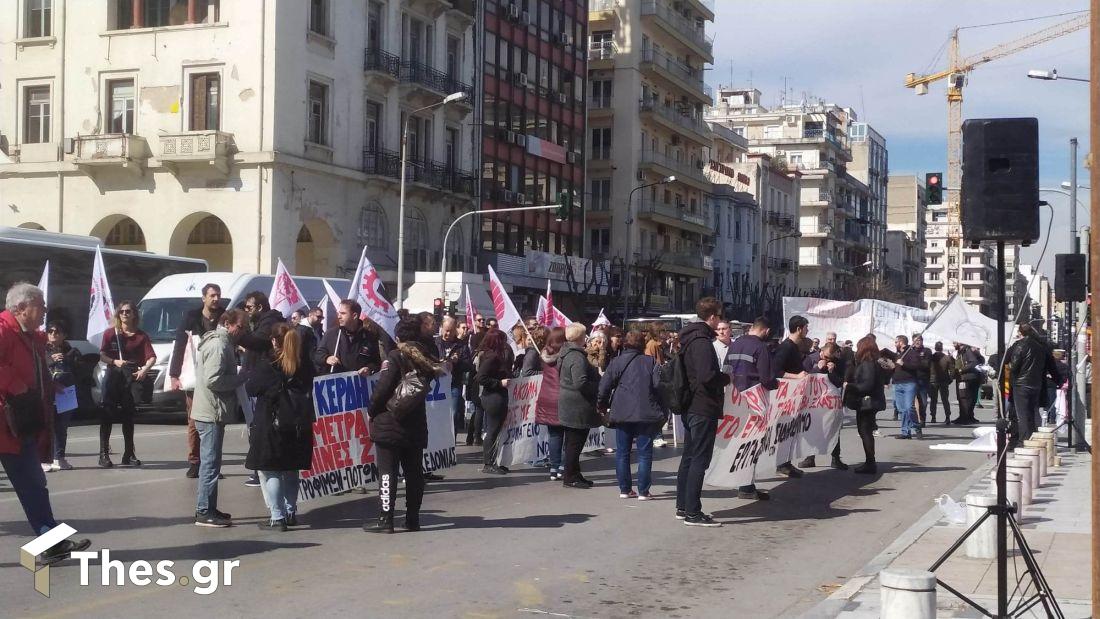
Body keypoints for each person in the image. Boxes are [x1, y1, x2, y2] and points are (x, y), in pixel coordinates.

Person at [1, 283, 92, 562]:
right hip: (7, 419)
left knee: (34, 483)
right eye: (40, 306)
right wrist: (17, 387)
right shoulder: (3, 331)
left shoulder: (29, 335)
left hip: (19, 424)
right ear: (20, 309)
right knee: (32, 482)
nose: (44, 311)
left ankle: (51, 544)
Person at [364, 314, 442, 533]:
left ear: (398, 336)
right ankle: (412, 519)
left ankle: (385, 520)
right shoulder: (426, 358)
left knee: (387, 473)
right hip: (415, 424)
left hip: (390, 422)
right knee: (414, 474)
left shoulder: (396, 356)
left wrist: (372, 410)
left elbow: (382, 389)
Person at [247, 322, 316, 531]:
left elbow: (252, 387)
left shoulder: (270, 362)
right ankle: (291, 511)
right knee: (291, 469)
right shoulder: (304, 364)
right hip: (298, 423)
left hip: (273, 422)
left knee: (271, 470)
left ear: (275, 340)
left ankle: (277, 517)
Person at [675, 298, 731, 527]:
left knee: (689, 457)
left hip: (692, 405)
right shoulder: (701, 341)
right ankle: (693, 512)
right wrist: (727, 377)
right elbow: (708, 376)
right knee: (699, 459)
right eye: (718, 317)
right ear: (712, 317)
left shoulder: (691, 338)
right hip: (702, 406)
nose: (719, 323)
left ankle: (683, 506)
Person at [191, 309, 248, 528]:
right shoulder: (219, 345)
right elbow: (214, 380)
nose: (242, 333)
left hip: (211, 411)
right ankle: (204, 511)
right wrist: (238, 379)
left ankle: (209, 507)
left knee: (212, 463)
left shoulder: (221, 342)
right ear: (228, 323)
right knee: (210, 464)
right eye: (240, 327)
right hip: (211, 412)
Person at [598, 330, 665, 499]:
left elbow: (604, 386)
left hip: (622, 410)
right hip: (646, 410)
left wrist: (602, 405)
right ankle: (643, 490)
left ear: (625, 343)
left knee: (622, 452)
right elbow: (659, 386)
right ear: (642, 344)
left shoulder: (616, 361)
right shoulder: (650, 362)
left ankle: (625, 489)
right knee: (644, 452)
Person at [169, 283, 225, 479]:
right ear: (204, 298)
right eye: (212, 295)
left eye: (218, 295)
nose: (216, 298)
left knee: (216, 422)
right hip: (195, 377)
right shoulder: (191, 317)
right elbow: (179, 346)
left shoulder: (224, 317)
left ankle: (212, 462)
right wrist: (174, 375)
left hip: (217, 377)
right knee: (194, 421)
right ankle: (195, 462)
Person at [99, 300, 156, 468]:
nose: (125, 314)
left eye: (128, 311)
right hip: (113, 375)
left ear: (134, 315)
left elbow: (151, 357)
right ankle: (103, 454)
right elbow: (102, 355)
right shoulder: (111, 333)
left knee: (128, 416)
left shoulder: (141, 336)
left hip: (130, 376)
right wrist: (115, 361)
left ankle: (129, 453)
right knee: (107, 414)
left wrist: (144, 370)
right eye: (122, 311)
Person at [237, 291, 286, 487]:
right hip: (255, 382)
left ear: (259, 307)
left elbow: (256, 342)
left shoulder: (269, 322)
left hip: (264, 385)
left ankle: (262, 468)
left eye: (248, 308)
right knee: (255, 427)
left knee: (261, 428)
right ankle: (260, 467)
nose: (246, 311)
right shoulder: (260, 322)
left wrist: (236, 334)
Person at [726, 316, 775, 501]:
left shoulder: (735, 344)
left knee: (738, 443)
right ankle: (746, 486)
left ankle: (745, 484)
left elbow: (726, 370)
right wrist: (777, 384)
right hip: (754, 402)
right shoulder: (761, 348)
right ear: (766, 331)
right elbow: (766, 378)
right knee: (751, 444)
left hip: (734, 399)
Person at [557, 323, 602, 489]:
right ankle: (570, 476)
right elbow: (580, 382)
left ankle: (575, 472)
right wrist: (599, 385)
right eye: (584, 335)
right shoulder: (576, 356)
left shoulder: (567, 353)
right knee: (574, 443)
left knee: (573, 441)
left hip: (571, 403)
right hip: (577, 404)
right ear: (579, 337)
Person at [769, 315, 810, 477]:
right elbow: (776, 371)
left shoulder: (793, 346)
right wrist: (797, 377)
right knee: (785, 431)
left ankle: (786, 462)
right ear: (799, 328)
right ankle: (782, 464)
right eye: (806, 327)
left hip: (794, 397)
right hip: (785, 398)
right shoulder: (786, 347)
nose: (808, 330)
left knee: (791, 431)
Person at [844, 336, 891, 474]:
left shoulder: (868, 364)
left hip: (867, 402)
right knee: (866, 431)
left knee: (865, 432)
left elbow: (867, 385)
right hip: (871, 401)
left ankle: (870, 462)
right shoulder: (875, 363)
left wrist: (850, 386)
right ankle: (870, 461)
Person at [798, 342, 848, 470]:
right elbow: (804, 378)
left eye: (830, 358)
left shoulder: (838, 362)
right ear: (821, 352)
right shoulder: (811, 359)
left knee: (833, 428)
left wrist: (831, 371)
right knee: (812, 428)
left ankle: (836, 458)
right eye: (825, 357)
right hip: (813, 401)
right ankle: (810, 457)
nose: (827, 360)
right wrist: (817, 369)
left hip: (830, 402)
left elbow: (839, 382)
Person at [1008, 324, 1059, 443]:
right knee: (1032, 412)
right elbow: (1052, 366)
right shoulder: (1042, 346)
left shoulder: (1020, 345)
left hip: (1021, 384)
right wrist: (1059, 380)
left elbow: (1014, 366)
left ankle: (1024, 441)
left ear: (1021, 333)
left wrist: (1011, 368)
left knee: (1023, 414)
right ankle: (1033, 438)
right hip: (1037, 384)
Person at [44, 320, 81, 472]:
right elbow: (36, 367)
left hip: (65, 394)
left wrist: (67, 359)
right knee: (47, 426)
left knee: (62, 427)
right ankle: (44, 459)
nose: (53, 334)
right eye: (50, 331)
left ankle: (59, 457)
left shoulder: (71, 351)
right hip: (47, 393)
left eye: (57, 332)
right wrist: (51, 360)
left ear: (64, 335)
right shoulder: (42, 350)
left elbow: (79, 371)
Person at [475, 328, 513, 474]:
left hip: (497, 395)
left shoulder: (496, 356)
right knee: (492, 430)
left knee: (496, 430)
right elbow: (481, 378)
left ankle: (493, 461)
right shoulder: (492, 357)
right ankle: (488, 463)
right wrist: (498, 383)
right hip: (493, 396)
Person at [313, 300, 382, 376]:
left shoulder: (369, 337)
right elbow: (318, 355)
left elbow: (376, 362)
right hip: (337, 383)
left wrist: (369, 369)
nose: (339, 316)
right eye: (338, 313)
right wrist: (326, 358)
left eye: (343, 313)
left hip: (359, 383)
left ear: (354, 315)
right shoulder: (331, 334)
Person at [535, 328, 567, 480]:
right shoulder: (566, 355)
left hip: (547, 396)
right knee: (570, 434)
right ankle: (563, 466)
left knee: (554, 434)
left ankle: (554, 468)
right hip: (563, 396)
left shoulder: (543, 354)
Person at [438, 316, 473, 437]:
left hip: (454, 385)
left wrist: (457, 362)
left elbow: (468, 365)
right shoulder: (435, 343)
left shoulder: (461, 346)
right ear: (441, 328)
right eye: (446, 330)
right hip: (436, 384)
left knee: (453, 413)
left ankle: (451, 441)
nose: (448, 333)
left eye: (451, 331)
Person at [891, 335, 928, 440]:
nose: (895, 344)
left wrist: (904, 364)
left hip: (909, 383)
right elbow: (895, 368)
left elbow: (917, 366)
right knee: (901, 409)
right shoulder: (898, 354)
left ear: (901, 342)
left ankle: (917, 426)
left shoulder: (912, 353)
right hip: (897, 383)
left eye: (896, 342)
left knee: (909, 407)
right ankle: (905, 432)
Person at [953, 343, 985, 425]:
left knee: (964, 398)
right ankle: (965, 416)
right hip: (965, 378)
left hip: (966, 378)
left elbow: (974, 363)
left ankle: (966, 418)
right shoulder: (962, 351)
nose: (953, 344)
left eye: (954, 342)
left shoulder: (967, 351)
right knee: (966, 398)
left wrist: (961, 370)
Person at [929, 341, 955, 424]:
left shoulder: (931, 357)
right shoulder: (947, 358)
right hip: (944, 381)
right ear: (942, 348)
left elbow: (927, 368)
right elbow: (952, 370)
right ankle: (947, 417)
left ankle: (933, 417)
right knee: (945, 400)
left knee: (933, 400)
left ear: (935, 347)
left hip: (933, 380)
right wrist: (950, 379)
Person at [910, 335, 932, 428]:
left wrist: (914, 363)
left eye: (919, 340)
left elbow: (926, 364)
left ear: (922, 341)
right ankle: (914, 420)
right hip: (911, 379)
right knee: (911, 403)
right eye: (915, 340)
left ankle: (922, 419)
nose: (917, 342)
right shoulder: (910, 351)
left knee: (923, 401)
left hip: (923, 379)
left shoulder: (926, 351)